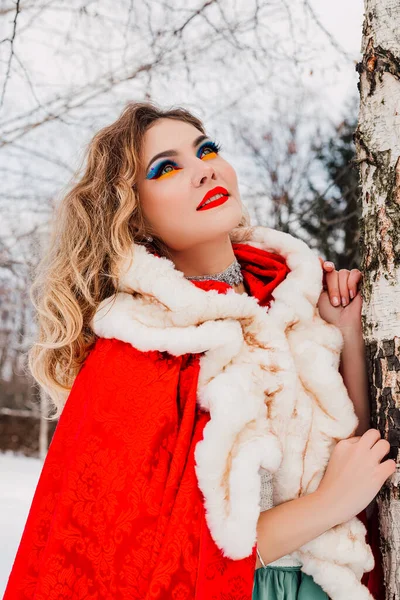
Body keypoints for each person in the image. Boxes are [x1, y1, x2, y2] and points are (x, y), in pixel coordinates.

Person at [4, 102, 395, 600]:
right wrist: (328, 505)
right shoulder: (141, 345)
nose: (203, 168)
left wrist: (347, 333)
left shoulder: (294, 294)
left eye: (206, 149)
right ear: (133, 211)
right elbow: (162, 560)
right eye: (166, 167)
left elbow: (353, 454)